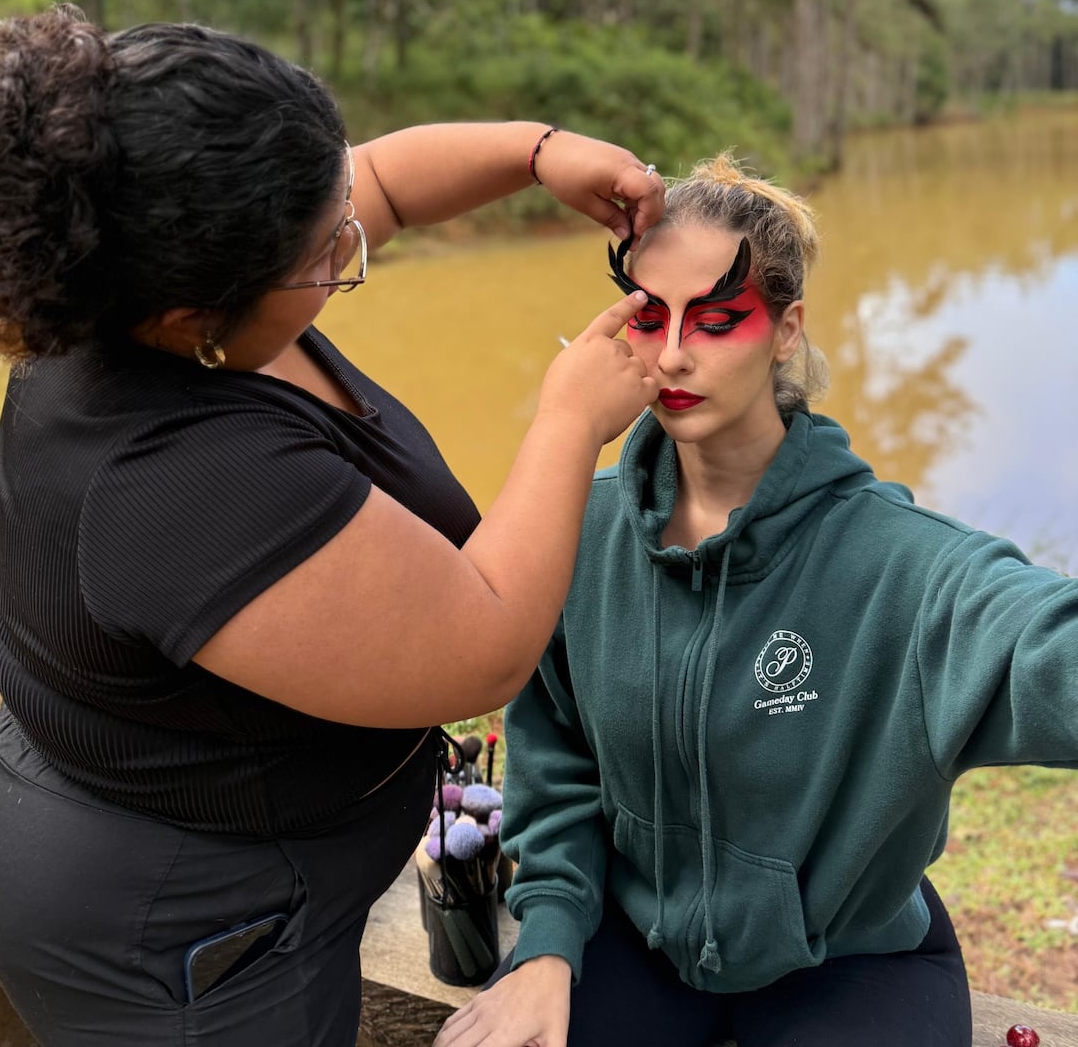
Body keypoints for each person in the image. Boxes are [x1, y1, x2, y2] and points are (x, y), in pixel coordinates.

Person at [0, 3, 664, 1047]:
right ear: (192, 318)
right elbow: (482, 645)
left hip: (135, 820)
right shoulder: (177, 477)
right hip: (184, 935)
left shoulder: (116, 274)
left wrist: (540, 153)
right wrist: (572, 420)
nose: (355, 240)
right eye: (328, 255)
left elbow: (377, 182)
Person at [435, 153, 1078, 1047]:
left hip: (852, 961)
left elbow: (1041, 647)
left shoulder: (905, 566)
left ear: (786, 329)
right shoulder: (576, 531)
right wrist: (545, 947)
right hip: (634, 938)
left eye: (717, 317)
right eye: (648, 315)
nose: (669, 353)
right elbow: (558, 768)